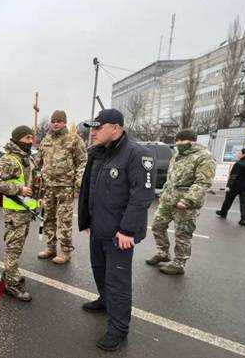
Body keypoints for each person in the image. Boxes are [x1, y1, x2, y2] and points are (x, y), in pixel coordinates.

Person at [77, 109, 155, 351]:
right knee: (99, 270)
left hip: (120, 234)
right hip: (98, 227)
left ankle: (118, 330)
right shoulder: (98, 154)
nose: (94, 133)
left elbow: (142, 196)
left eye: (98, 128)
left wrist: (128, 231)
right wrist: (86, 220)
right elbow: (88, 189)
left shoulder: (137, 154)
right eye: (93, 128)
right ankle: (104, 301)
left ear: (115, 127)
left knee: (117, 282)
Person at [146, 129, 215, 275]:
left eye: (182, 141)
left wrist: (187, 200)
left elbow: (203, 182)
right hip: (168, 200)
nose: (178, 144)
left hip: (185, 204)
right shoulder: (177, 155)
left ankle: (179, 263)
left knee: (182, 234)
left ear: (192, 141)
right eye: (177, 141)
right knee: (157, 226)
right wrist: (164, 193)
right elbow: (170, 178)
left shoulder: (204, 157)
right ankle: (163, 253)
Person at [0, 125, 38, 302]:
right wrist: (19, 189)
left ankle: (11, 273)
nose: (30, 141)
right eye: (27, 138)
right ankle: (11, 284)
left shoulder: (27, 158)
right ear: (17, 139)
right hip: (14, 214)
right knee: (13, 248)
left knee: (18, 247)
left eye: (32, 138)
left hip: (25, 211)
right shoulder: (8, 160)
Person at [35, 110, 87, 264]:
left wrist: (78, 185)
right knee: (48, 218)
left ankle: (65, 252)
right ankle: (50, 247)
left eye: (59, 121)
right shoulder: (46, 139)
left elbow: (83, 162)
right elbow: (38, 161)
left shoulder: (74, 139)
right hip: (48, 187)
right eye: (53, 121)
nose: (55, 123)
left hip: (65, 187)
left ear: (64, 122)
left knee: (64, 220)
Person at [216, 148, 245, 226]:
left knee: (228, 199)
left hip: (236, 185)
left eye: (240, 153)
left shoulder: (239, 163)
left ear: (244, 154)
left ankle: (223, 213)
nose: (238, 154)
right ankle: (244, 219)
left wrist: (228, 186)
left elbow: (233, 176)